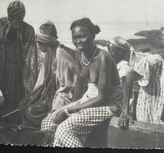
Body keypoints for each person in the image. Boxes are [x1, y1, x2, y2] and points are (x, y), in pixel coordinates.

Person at [41, 18, 123, 147]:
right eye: (75, 37)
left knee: (64, 131)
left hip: (109, 103)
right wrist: (72, 105)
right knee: (48, 123)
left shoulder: (103, 57)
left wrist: (69, 111)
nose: (78, 41)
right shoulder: (80, 53)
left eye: (82, 36)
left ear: (93, 35)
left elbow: (102, 98)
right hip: (90, 99)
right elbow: (80, 82)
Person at [18, 21, 76, 129]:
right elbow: (41, 82)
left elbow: (68, 88)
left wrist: (57, 106)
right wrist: (33, 96)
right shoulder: (48, 56)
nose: (38, 46)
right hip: (50, 94)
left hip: (62, 96)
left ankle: (40, 132)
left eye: (40, 43)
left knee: (31, 110)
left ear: (47, 42)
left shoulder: (63, 56)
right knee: (24, 103)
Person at [0, 0, 38, 123]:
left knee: (18, 96)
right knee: (2, 96)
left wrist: (29, 77)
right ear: (9, 15)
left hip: (19, 70)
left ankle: (16, 122)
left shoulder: (28, 30)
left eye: (19, 16)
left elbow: (31, 56)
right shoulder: (2, 24)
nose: (16, 19)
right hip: (4, 67)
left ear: (23, 16)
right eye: (13, 16)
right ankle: (2, 121)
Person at [108, 37, 139, 119]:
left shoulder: (124, 68)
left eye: (111, 51)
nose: (108, 54)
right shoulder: (116, 66)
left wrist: (125, 112)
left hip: (120, 107)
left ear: (121, 52)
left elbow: (126, 93)